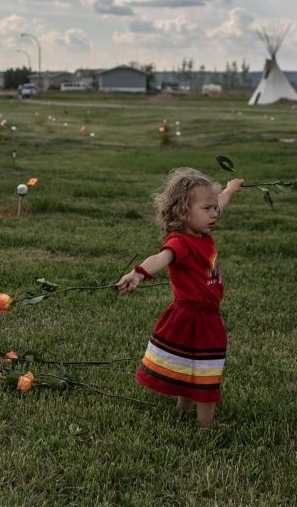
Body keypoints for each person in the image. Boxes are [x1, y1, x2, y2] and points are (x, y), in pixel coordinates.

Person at [116, 168, 244, 427]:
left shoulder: (203, 234)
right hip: (193, 316)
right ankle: (206, 426)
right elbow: (160, 258)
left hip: (204, 315)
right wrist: (139, 273)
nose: (214, 213)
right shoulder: (181, 242)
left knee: (189, 363)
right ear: (184, 213)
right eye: (207, 209)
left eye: (214, 208)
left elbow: (220, 202)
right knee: (208, 369)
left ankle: (182, 409)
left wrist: (230, 189)